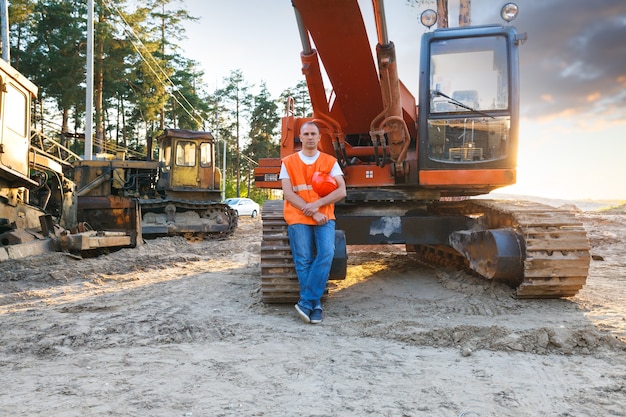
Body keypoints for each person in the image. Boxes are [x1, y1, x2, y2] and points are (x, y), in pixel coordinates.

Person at [279, 121, 346, 324]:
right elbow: (288, 193)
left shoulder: (329, 161)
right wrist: (311, 211)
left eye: (313, 134)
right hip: (298, 216)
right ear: (300, 137)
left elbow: (342, 190)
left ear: (318, 138)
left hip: (324, 215)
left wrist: (317, 206)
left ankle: (307, 301)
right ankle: (315, 305)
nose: (309, 137)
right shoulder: (288, 162)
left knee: (326, 252)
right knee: (304, 259)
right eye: (306, 133)